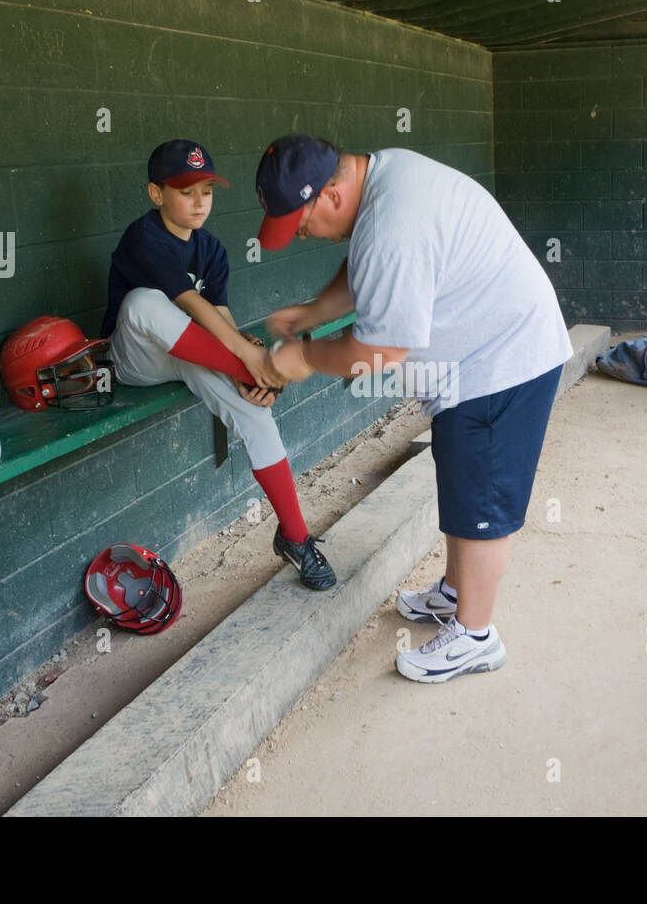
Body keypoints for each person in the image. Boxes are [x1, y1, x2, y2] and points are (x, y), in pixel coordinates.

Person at [254, 134, 572, 683]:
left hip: (502, 359)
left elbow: (378, 352)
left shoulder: (391, 226)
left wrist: (301, 359)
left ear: (330, 196)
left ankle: (475, 637)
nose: (302, 234)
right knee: (462, 477)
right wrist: (313, 312)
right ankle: (455, 594)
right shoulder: (383, 178)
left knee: (483, 497)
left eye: (301, 225)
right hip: (478, 359)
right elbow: (365, 270)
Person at [100, 139, 336, 590]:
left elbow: (221, 319)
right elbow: (189, 303)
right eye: (186, 191)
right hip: (135, 358)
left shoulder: (211, 248)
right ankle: (249, 373)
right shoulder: (143, 236)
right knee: (143, 302)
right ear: (156, 194)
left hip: (189, 353)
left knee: (256, 410)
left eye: (207, 190)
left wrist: (247, 355)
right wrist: (250, 361)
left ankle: (296, 536)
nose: (199, 201)